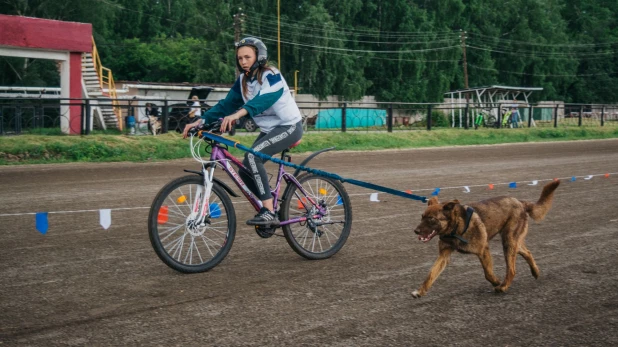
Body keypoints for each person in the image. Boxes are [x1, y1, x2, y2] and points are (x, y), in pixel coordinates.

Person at [183, 37, 303, 227]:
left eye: (247, 57)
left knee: (253, 158)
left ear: (259, 56)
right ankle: (269, 203)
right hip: (269, 130)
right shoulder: (243, 81)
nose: (243, 61)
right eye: (240, 58)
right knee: (246, 167)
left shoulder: (272, 75)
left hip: (289, 127)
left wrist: (237, 115)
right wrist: (202, 120)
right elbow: (226, 104)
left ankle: (269, 211)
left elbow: (264, 99)